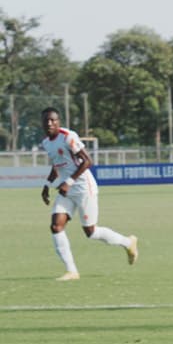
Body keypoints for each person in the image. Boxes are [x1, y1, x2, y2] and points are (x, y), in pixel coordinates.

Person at [39, 107, 138, 280]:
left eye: (53, 120)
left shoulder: (68, 137)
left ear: (58, 122)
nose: (49, 123)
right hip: (66, 190)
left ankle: (128, 243)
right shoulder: (46, 142)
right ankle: (72, 271)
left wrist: (68, 182)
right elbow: (57, 165)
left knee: (91, 232)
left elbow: (87, 161)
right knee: (56, 226)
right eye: (46, 120)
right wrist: (47, 185)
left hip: (84, 188)